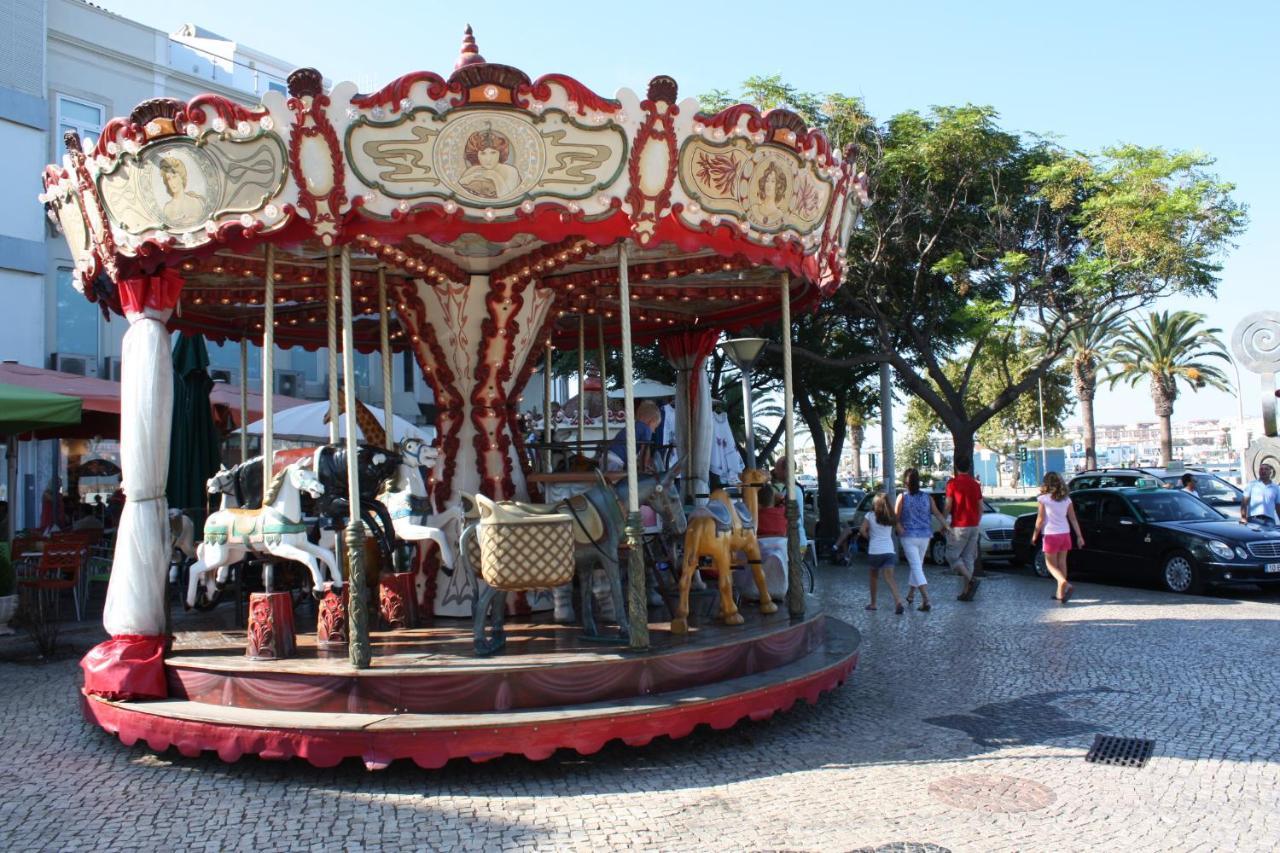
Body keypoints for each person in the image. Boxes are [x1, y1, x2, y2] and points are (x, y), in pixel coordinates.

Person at [896, 467, 948, 612]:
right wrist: (947, 526)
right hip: (925, 536)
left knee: (916, 566)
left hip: (908, 536)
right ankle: (911, 594)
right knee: (917, 565)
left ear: (905, 482)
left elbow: (896, 517)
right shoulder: (927, 497)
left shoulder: (902, 497)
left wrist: (898, 527)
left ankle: (926, 599)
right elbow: (937, 514)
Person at [1031, 471, 1085, 604]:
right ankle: (1060, 594)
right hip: (1065, 534)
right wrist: (1079, 536)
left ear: (1046, 483)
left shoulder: (1043, 499)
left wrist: (1034, 535)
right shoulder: (1067, 499)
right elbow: (1073, 519)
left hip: (1050, 534)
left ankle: (1064, 583)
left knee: (1050, 565)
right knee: (1062, 563)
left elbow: (1040, 519)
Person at [858, 492, 905, 614]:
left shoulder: (870, 515)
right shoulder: (891, 516)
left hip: (875, 551)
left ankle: (873, 604)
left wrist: (869, 537)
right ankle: (898, 601)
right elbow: (901, 531)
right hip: (889, 551)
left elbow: (862, 530)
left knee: (874, 577)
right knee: (890, 578)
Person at [944, 456, 984, 601]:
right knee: (968, 559)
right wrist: (977, 521)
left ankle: (971, 580)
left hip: (959, 525)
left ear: (956, 466)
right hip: (974, 525)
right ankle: (967, 591)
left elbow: (948, 505)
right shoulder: (975, 484)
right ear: (969, 466)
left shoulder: (952, 484)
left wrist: (943, 521)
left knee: (951, 555)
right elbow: (981, 507)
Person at [605, 399, 662, 473]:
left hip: (607, 456)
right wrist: (645, 468)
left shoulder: (633, 426)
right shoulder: (646, 429)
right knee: (618, 483)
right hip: (616, 460)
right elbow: (644, 451)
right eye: (655, 427)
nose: (654, 431)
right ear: (651, 421)